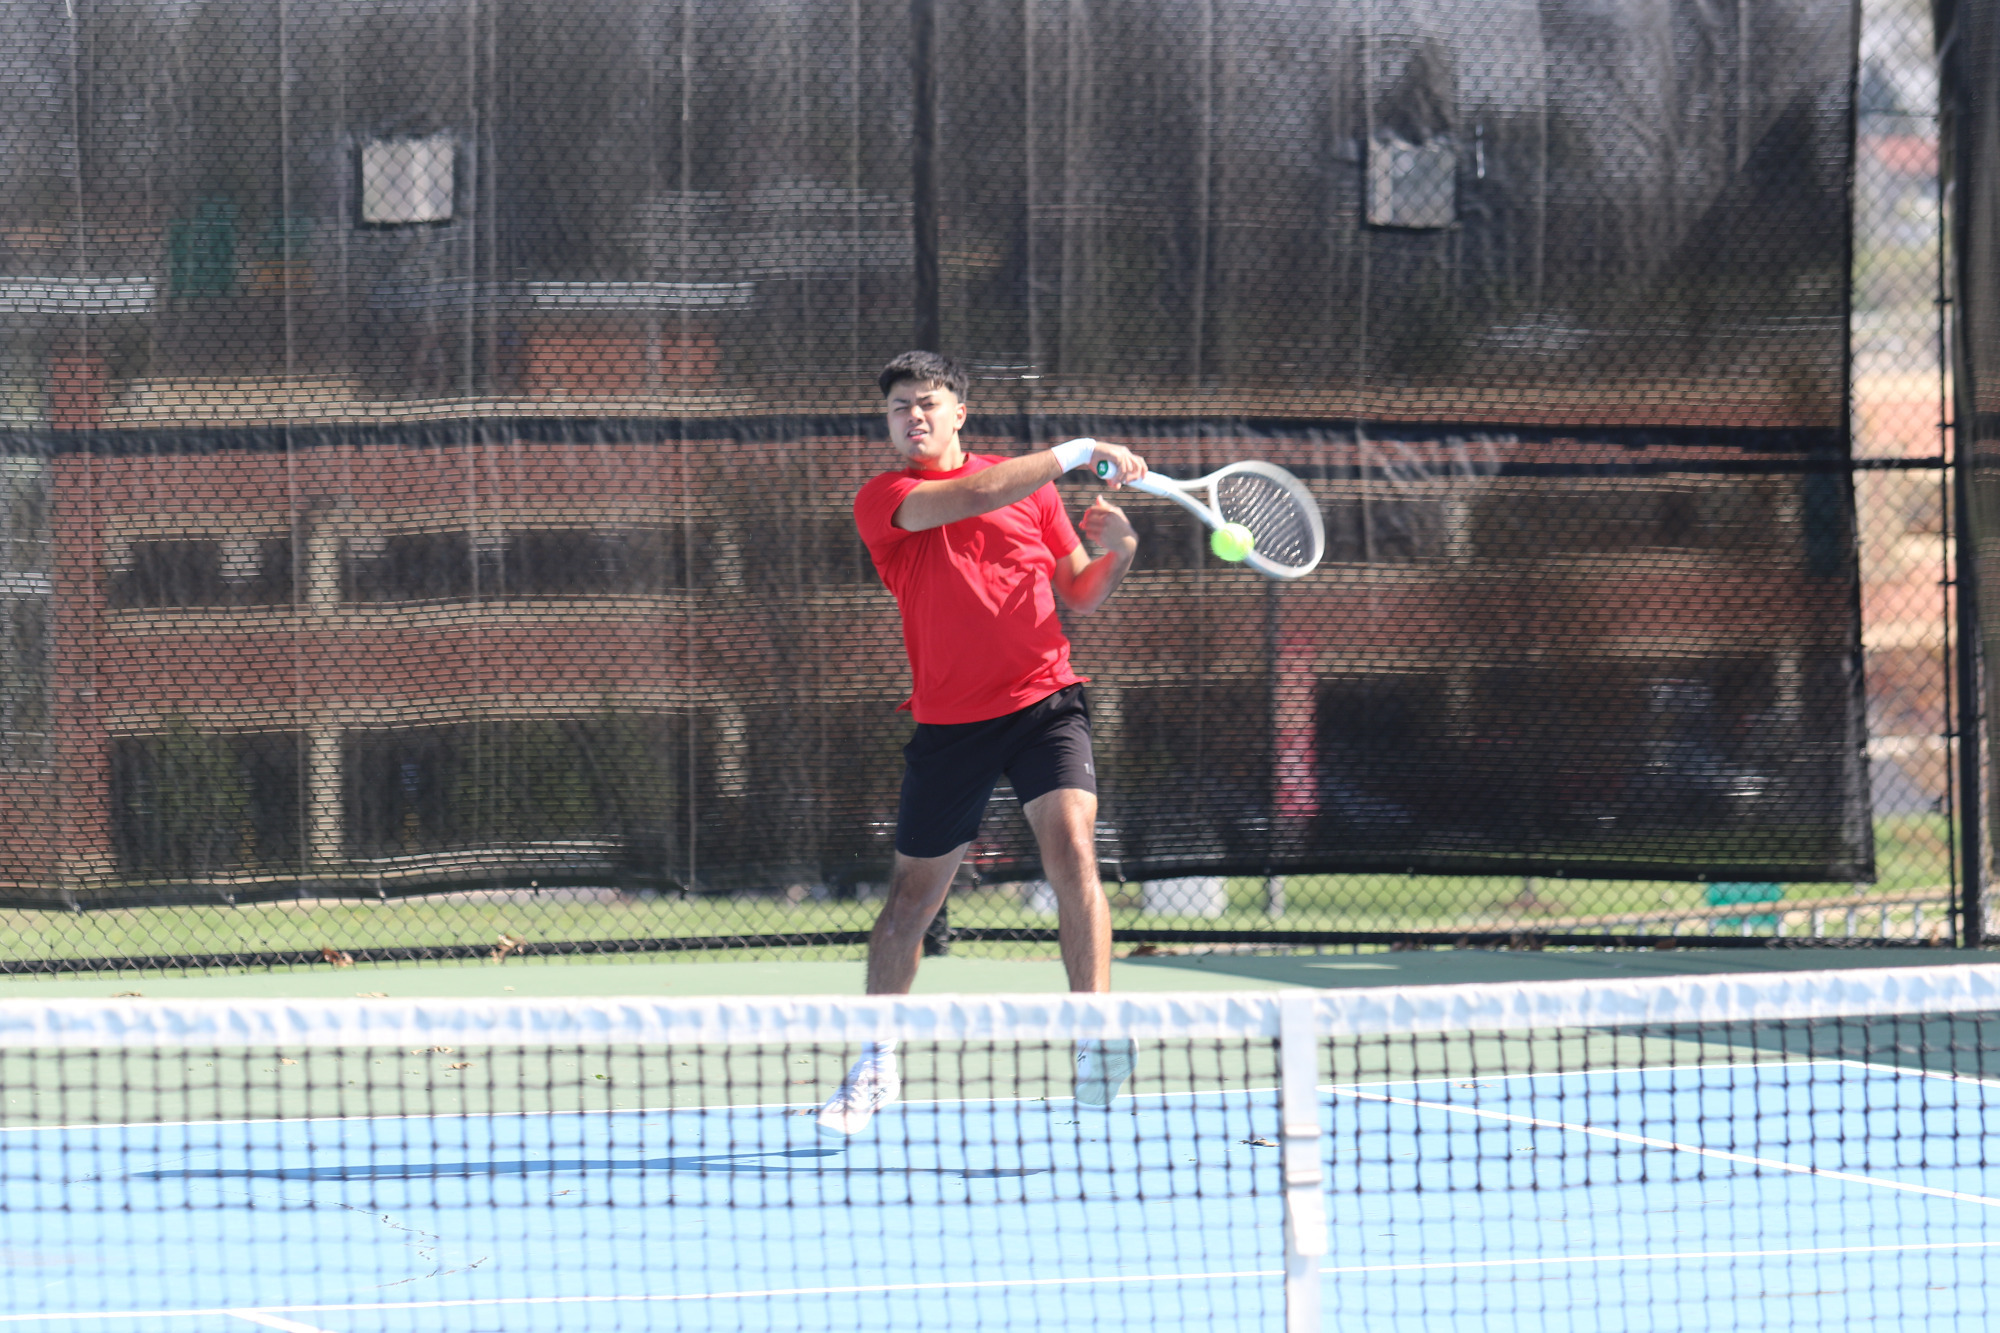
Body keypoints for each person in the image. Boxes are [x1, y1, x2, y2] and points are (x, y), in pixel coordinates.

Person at [816, 350, 1147, 1137]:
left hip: (1046, 702)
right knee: (910, 903)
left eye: (927, 402)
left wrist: (1120, 557)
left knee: (1074, 850)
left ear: (959, 412)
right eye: (899, 407)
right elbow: (967, 496)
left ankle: (1094, 1034)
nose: (913, 417)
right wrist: (1069, 454)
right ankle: (876, 1062)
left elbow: (1080, 592)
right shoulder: (887, 498)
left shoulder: (1028, 492)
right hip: (950, 722)